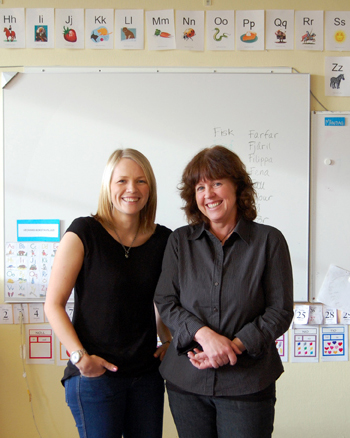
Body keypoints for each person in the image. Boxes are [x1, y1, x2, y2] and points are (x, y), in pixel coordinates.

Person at [154, 145, 294, 438]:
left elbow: (279, 311)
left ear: (237, 187)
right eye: (200, 187)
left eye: (217, 183)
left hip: (247, 383)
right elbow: (166, 301)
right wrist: (205, 336)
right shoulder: (180, 241)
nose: (209, 194)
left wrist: (234, 346)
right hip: (186, 381)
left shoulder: (269, 241)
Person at [45, 148, 172, 438]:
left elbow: (162, 300)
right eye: (122, 181)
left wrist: (169, 340)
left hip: (146, 376)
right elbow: (53, 304)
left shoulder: (164, 239)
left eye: (141, 181)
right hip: (95, 376)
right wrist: (81, 358)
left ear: (150, 188)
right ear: (108, 186)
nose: (132, 189)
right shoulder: (84, 232)